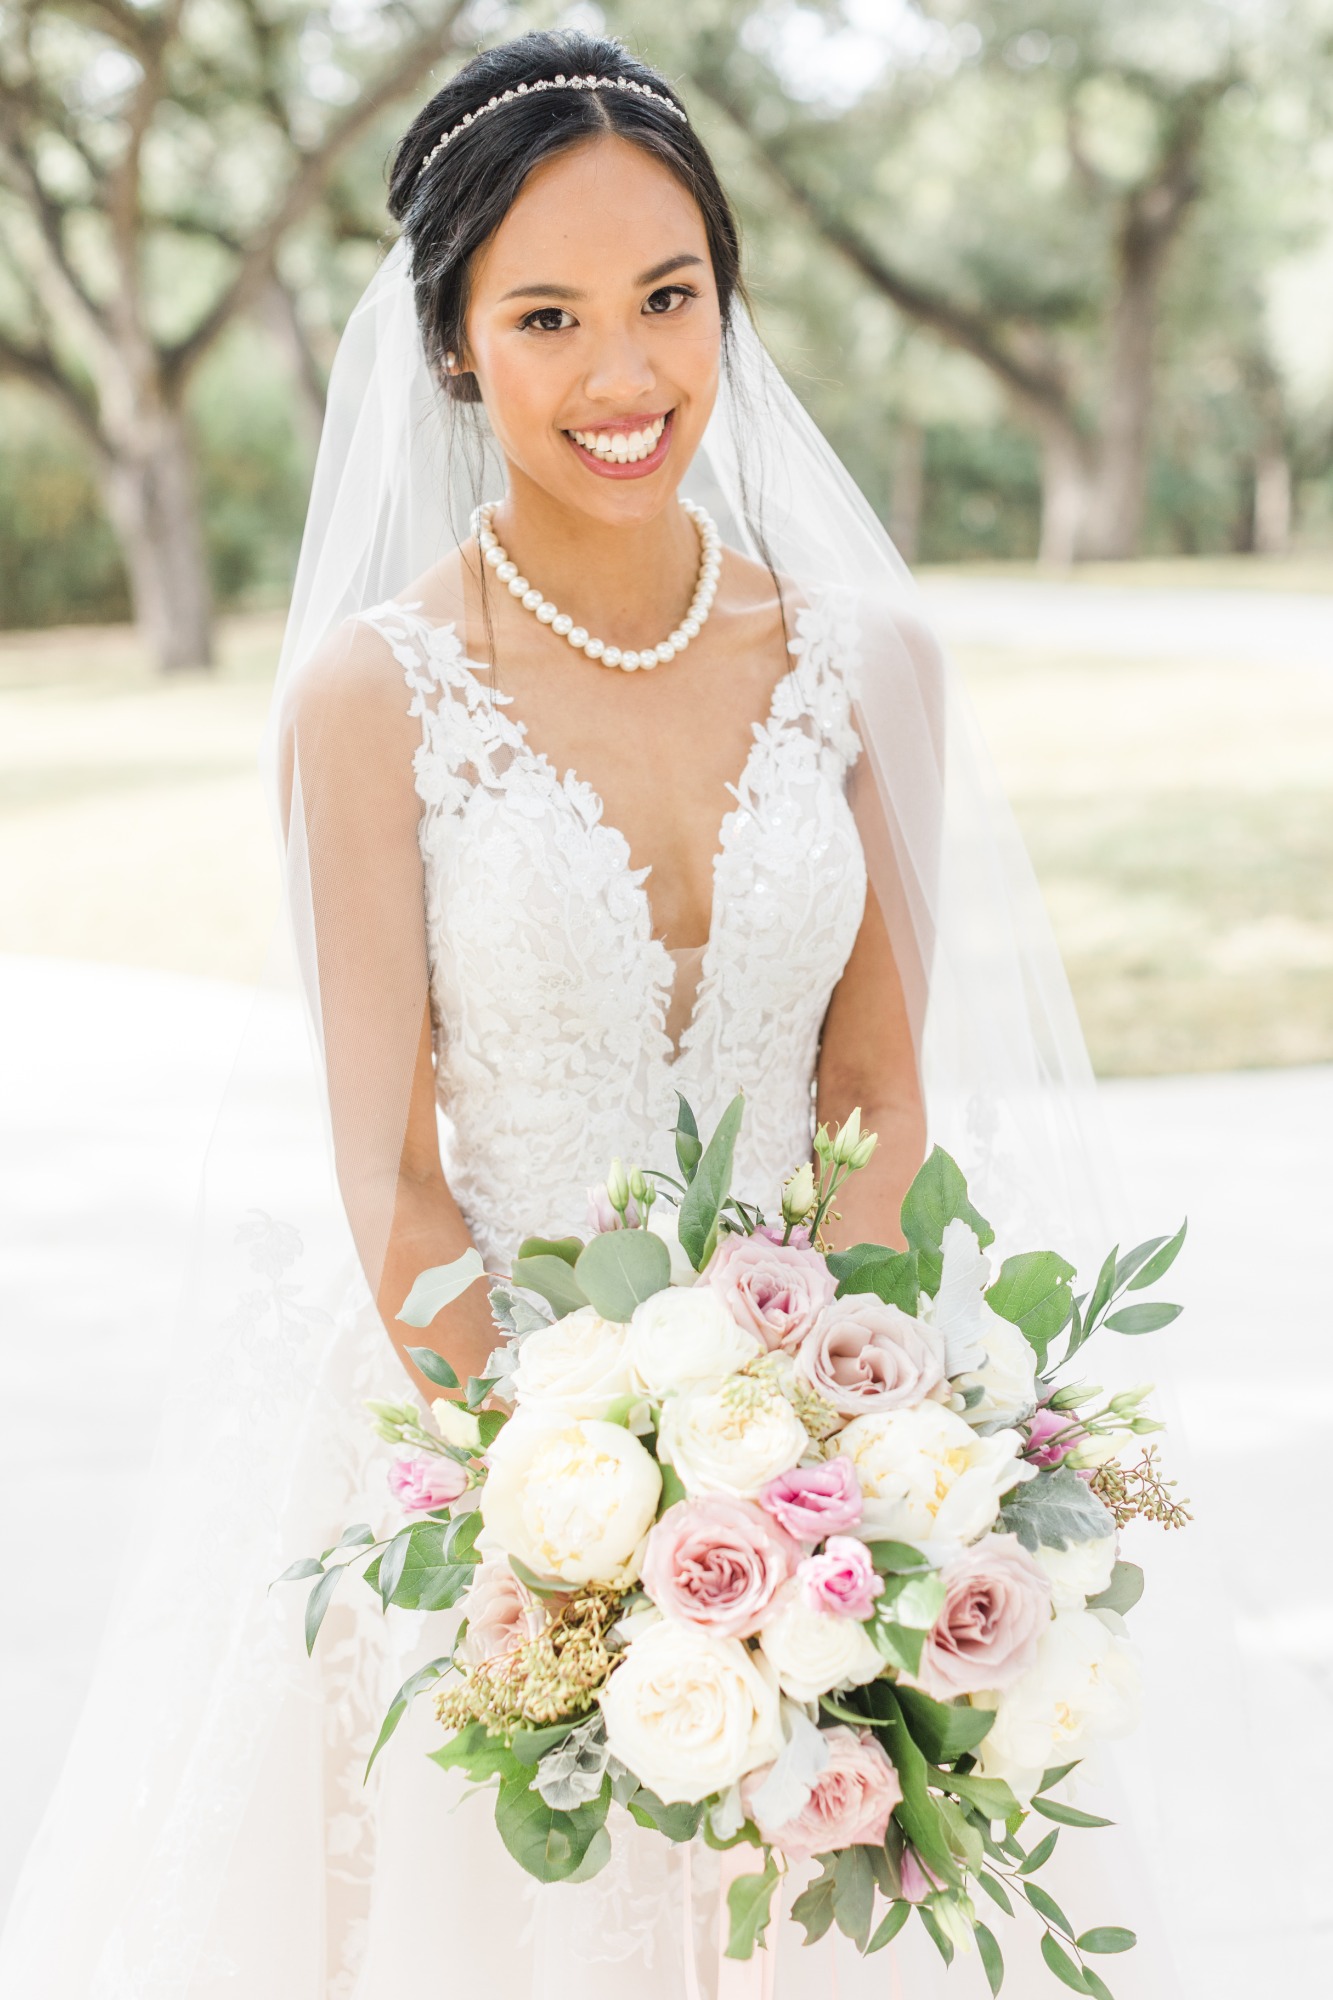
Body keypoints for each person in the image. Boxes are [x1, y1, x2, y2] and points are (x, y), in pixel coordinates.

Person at [0, 28, 1195, 2000]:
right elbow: (392, 1182)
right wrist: (585, 1526)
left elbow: (878, 1092)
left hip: (825, 1449)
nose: (626, 373)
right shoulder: (366, 708)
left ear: (729, 293)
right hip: (485, 1460)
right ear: (455, 348)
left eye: (669, 297)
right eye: (547, 317)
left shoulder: (868, 658)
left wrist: (840, 1467)